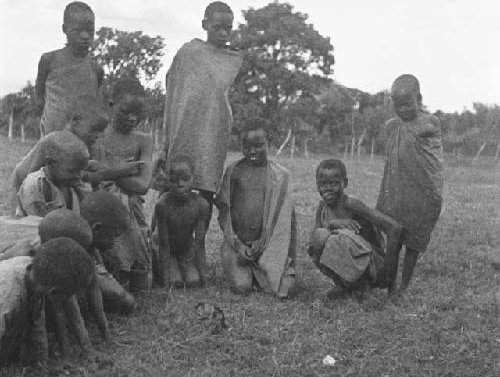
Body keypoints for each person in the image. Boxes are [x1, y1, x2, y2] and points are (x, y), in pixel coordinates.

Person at [157, 1, 242, 221]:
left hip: (213, 132)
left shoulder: (231, 60)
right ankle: (158, 238)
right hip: (184, 128)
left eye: (228, 28)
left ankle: (198, 243)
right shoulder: (189, 52)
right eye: (217, 27)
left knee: (206, 186)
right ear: (205, 24)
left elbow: (221, 97)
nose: (223, 33)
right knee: (172, 183)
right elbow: (174, 87)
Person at [376, 74, 443, 294]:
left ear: (419, 98)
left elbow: (420, 131)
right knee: (394, 239)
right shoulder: (392, 125)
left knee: (413, 242)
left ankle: (403, 287)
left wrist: (401, 123)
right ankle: (390, 286)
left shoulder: (430, 122)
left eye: (408, 104)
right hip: (397, 192)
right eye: (398, 105)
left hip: (424, 193)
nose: (403, 110)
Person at [215, 118, 296, 297]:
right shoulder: (233, 172)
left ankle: (263, 271)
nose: (252, 151)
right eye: (247, 145)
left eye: (259, 145)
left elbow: (283, 221)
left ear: (269, 142)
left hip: (267, 245)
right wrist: (237, 243)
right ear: (240, 145)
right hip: (238, 243)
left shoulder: (280, 176)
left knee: (287, 287)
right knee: (242, 287)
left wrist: (264, 243)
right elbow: (225, 212)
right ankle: (247, 270)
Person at [90, 78, 153, 293]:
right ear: (111, 104)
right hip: (100, 207)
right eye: (126, 111)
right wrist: (123, 171)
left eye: (138, 113)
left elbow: (143, 185)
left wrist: (108, 171)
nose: (132, 118)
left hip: (133, 209)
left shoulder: (144, 141)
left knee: (141, 287)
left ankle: (132, 270)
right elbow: (92, 178)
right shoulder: (97, 137)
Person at [308, 159, 402, 299]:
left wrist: (389, 277)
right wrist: (333, 224)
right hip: (354, 262)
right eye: (323, 184)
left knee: (340, 238)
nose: (328, 188)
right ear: (317, 185)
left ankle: (365, 289)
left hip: (372, 265)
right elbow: (315, 239)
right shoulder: (322, 206)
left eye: (334, 183)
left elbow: (394, 228)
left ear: (345, 183)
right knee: (320, 238)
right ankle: (343, 286)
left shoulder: (350, 203)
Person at [0, 238, 95, 364]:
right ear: (54, 292)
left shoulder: (36, 276)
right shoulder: (9, 296)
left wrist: (41, 364)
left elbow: (38, 328)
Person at [9, 109, 107, 216]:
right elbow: (32, 178)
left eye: (100, 132)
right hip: (28, 187)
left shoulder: (83, 148)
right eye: (93, 130)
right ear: (75, 120)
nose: (97, 135)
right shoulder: (52, 141)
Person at [35, 1, 104, 135]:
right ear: (64, 29)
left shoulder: (96, 69)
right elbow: (39, 97)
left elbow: (94, 103)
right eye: (78, 30)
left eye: (90, 31)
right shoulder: (49, 60)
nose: (85, 36)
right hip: (52, 137)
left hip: (82, 139)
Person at [153, 155, 210, 288]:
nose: (180, 184)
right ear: (167, 180)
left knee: (193, 281)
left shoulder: (201, 205)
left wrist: (205, 281)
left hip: (185, 249)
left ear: (193, 178)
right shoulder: (163, 205)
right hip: (164, 248)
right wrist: (166, 283)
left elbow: (200, 244)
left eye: (186, 179)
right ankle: (160, 267)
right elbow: (163, 245)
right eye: (174, 180)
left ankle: (181, 265)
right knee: (175, 282)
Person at [16, 131, 89, 217]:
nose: (79, 175)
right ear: (50, 162)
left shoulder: (69, 184)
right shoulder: (35, 186)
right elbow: (44, 227)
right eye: (73, 171)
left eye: (81, 170)